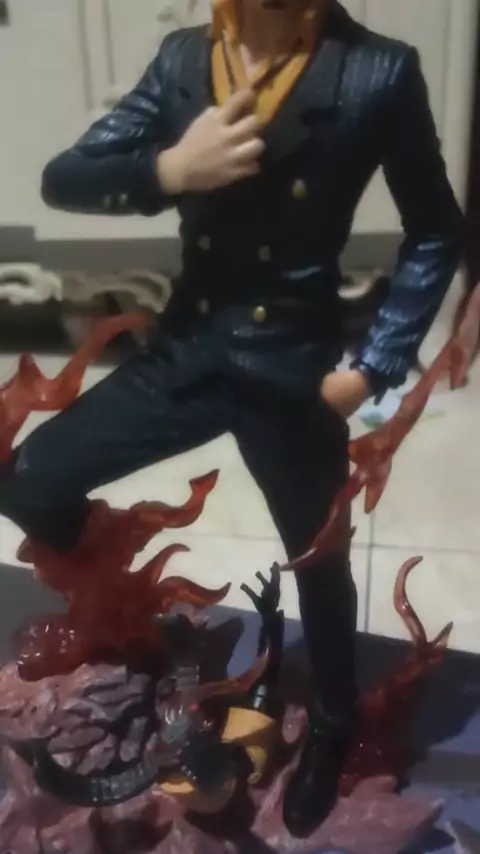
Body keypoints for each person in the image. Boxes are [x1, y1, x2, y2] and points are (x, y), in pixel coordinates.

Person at [0, 0, 463, 838]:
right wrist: (170, 171)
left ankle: (331, 723)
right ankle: (121, 619)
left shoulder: (375, 71)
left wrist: (375, 365)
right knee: (33, 480)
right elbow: (66, 177)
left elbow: (435, 231)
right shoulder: (186, 58)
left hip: (295, 372)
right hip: (189, 351)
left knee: (318, 559)